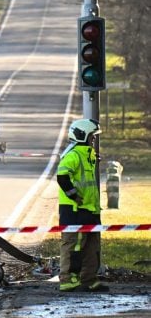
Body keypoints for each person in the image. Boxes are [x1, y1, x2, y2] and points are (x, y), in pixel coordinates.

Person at [57, 118, 108, 293]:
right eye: (92, 137)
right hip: (74, 210)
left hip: (89, 209)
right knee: (74, 245)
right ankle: (68, 279)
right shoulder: (73, 155)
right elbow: (62, 176)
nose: (94, 140)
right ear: (83, 135)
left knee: (91, 246)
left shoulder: (87, 154)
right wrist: (73, 195)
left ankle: (89, 279)